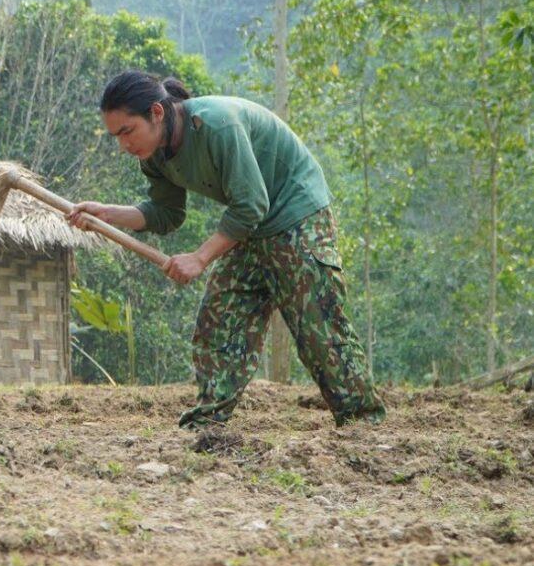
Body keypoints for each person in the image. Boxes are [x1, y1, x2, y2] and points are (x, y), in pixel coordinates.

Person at [67, 71, 386, 429]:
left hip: (297, 214)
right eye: (116, 136)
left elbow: (250, 204)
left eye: (128, 131)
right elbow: (167, 214)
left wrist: (201, 257)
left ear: (156, 112)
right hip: (251, 225)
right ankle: (208, 422)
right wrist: (106, 214)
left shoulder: (217, 126)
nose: (124, 144)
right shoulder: (153, 155)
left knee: (317, 328)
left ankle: (363, 421)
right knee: (219, 321)